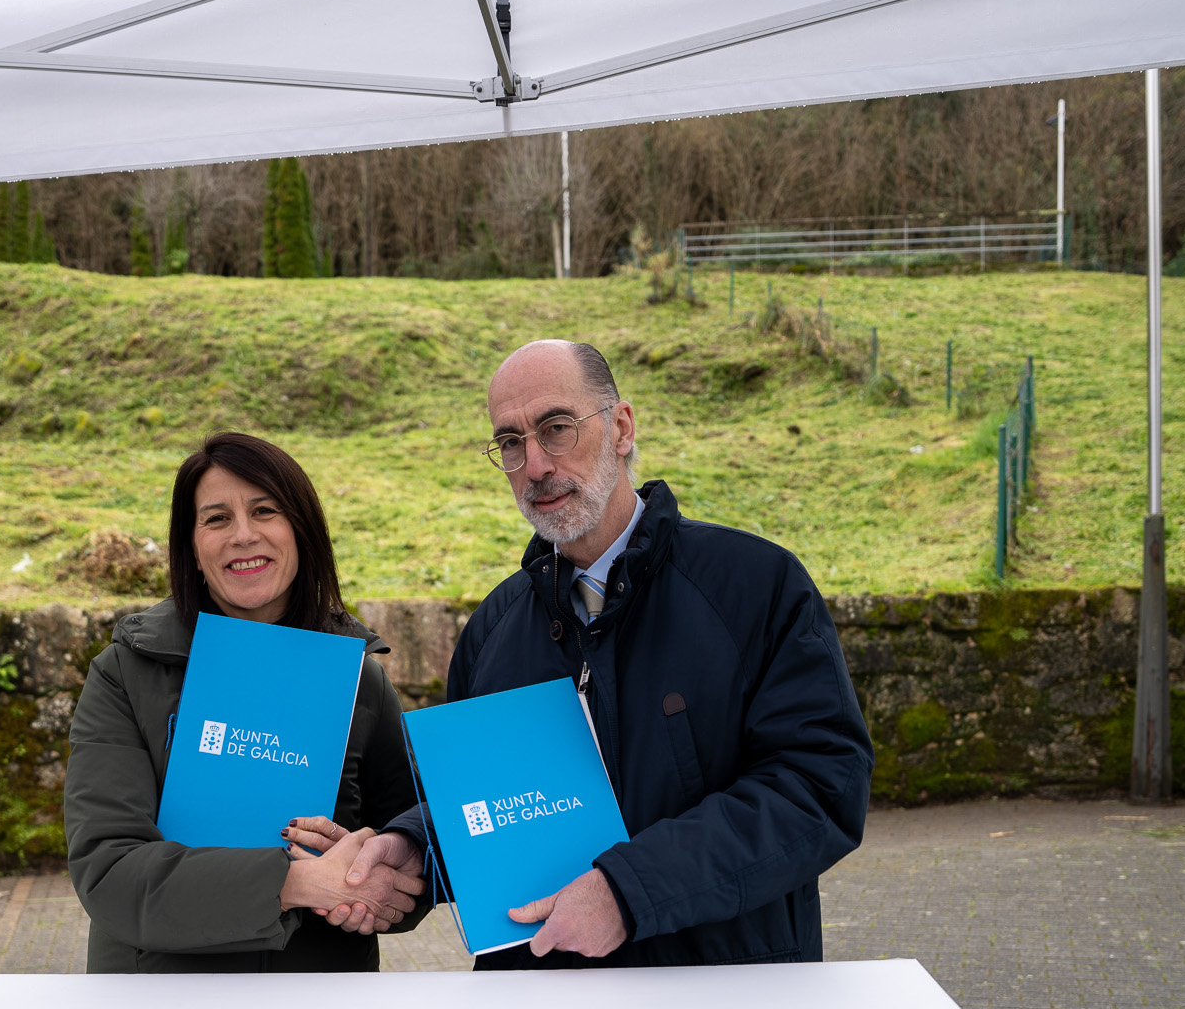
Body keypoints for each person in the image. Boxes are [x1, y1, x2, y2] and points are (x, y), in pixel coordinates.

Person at [338, 339, 874, 968]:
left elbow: (819, 786)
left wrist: (629, 892)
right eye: (510, 442)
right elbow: (493, 804)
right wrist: (418, 847)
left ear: (621, 427)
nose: (535, 465)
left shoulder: (755, 587)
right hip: (543, 1005)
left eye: (556, 428)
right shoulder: (491, 631)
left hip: (721, 998)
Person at [62, 432, 426, 973]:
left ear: (302, 529)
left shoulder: (360, 681)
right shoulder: (126, 673)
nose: (243, 535)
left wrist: (364, 875)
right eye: (216, 519)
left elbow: (410, 856)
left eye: (264, 510)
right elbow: (109, 871)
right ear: (191, 546)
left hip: (320, 997)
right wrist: (297, 882)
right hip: (158, 995)